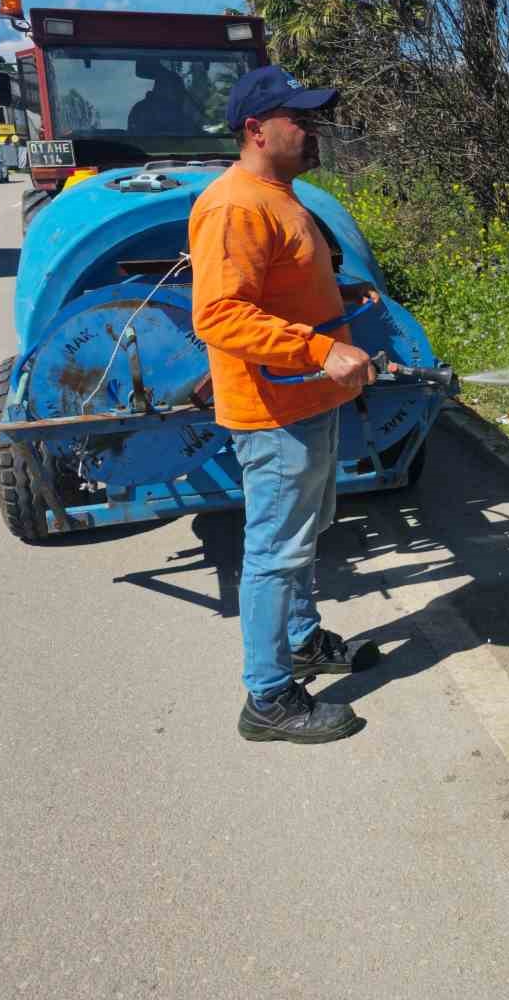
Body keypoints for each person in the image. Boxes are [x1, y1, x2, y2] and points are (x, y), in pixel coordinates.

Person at [188, 64, 381, 744]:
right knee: (274, 549)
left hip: (308, 400)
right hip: (274, 410)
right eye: (300, 118)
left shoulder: (280, 195)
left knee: (301, 536)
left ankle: (300, 642)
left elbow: (280, 286)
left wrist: (341, 301)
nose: (312, 129)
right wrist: (320, 350)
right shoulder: (235, 205)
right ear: (256, 129)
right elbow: (219, 315)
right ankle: (267, 698)